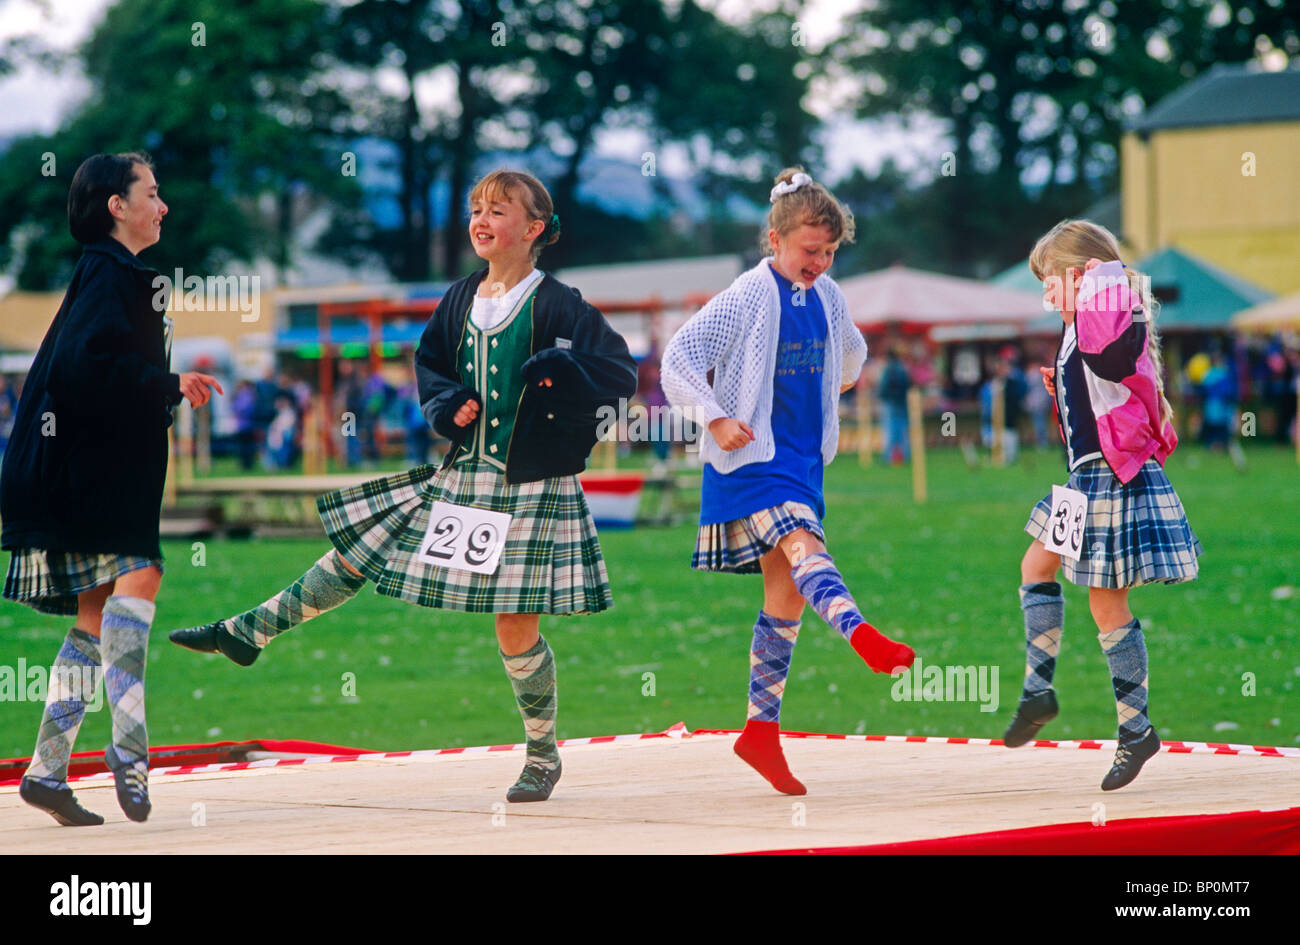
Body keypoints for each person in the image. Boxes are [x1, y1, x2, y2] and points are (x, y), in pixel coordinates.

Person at [168, 169, 637, 803]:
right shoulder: (459, 298)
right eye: (476, 207)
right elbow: (432, 367)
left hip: (531, 483)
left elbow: (618, 373)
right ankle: (249, 631)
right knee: (363, 547)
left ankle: (542, 755)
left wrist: (563, 367)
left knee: (514, 628)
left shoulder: (561, 303)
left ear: (532, 230)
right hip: (464, 472)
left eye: (499, 211)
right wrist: (446, 407)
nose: (482, 218)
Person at [661, 167, 916, 796]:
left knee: (786, 597)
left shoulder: (829, 296)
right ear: (774, 238)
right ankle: (862, 634)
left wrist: (834, 382)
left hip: (802, 458)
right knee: (803, 542)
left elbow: (852, 353)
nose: (821, 262)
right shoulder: (747, 295)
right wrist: (715, 417)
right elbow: (678, 359)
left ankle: (761, 733)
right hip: (751, 461)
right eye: (810, 250)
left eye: (830, 252)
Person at [1, 152, 221, 825]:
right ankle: (130, 749)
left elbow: (96, 367)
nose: (163, 206)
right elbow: (84, 364)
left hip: (74, 468)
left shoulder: (113, 273)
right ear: (114, 205)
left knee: (94, 612)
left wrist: (163, 385)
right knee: (143, 573)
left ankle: (46, 771)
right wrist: (166, 383)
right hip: (83, 472)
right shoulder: (113, 271)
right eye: (151, 194)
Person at [1004, 219, 1201, 791]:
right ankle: (1039, 692)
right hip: (1081, 481)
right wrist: (1062, 387)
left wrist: (1107, 281)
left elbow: (1114, 361)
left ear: (1082, 275)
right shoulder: (1075, 325)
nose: (1047, 294)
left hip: (1109, 480)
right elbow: (1095, 382)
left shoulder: (1112, 310)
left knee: (1105, 605)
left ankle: (1136, 729)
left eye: (1052, 282)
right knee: (1035, 567)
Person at [878, 348, 911, 463]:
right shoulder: (903, 369)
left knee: (890, 431)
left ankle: (889, 457)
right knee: (903, 431)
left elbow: (883, 388)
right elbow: (909, 385)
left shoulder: (888, 370)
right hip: (902, 403)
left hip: (890, 403)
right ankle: (905, 455)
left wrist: (882, 396)